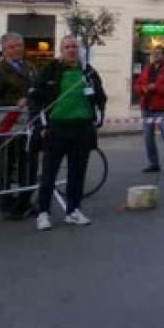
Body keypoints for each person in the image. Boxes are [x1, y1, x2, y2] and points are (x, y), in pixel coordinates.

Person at [29, 36, 107, 230]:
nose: (71, 50)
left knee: (77, 173)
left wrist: (97, 118)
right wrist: (42, 126)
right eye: (67, 47)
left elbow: (101, 97)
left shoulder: (88, 72)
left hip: (82, 129)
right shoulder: (51, 71)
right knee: (49, 173)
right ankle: (43, 212)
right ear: (61, 50)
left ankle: (73, 211)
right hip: (56, 128)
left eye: (74, 47)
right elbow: (35, 99)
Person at [0, 32, 37, 219]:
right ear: (4, 49)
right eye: (12, 46)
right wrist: (12, 104)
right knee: (5, 165)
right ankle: (7, 205)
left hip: (28, 126)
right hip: (6, 127)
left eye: (19, 45)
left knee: (28, 165)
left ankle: (24, 202)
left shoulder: (29, 67)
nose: (17, 49)